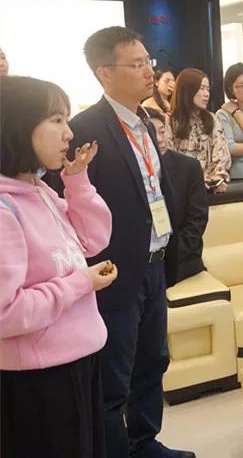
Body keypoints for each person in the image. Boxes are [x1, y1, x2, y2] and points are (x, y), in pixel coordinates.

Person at [55, 26, 194, 458]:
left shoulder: (145, 123)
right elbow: (69, 208)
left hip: (154, 263)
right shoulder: (84, 129)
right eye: (136, 64)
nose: (149, 71)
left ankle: (144, 442)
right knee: (115, 374)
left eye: (148, 61)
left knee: (153, 362)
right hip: (114, 271)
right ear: (104, 72)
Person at [0, 75, 116, 458]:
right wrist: (80, 283)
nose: (69, 132)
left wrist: (77, 180)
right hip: (39, 380)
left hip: (76, 360)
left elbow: (93, 239)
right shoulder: (6, 209)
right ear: (18, 125)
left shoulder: (38, 190)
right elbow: (6, 313)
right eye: (56, 120)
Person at [146, 107, 208, 286]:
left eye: (162, 131)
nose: (159, 139)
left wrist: (169, 254)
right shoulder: (131, 170)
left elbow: (197, 220)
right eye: (151, 133)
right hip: (144, 261)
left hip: (182, 260)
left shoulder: (188, 167)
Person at [171, 68, 231, 193]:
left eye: (208, 89)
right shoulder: (170, 122)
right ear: (187, 90)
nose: (206, 94)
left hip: (210, 188)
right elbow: (169, 160)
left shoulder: (212, 119)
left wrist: (218, 177)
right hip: (183, 190)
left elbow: (221, 151)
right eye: (202, 88)